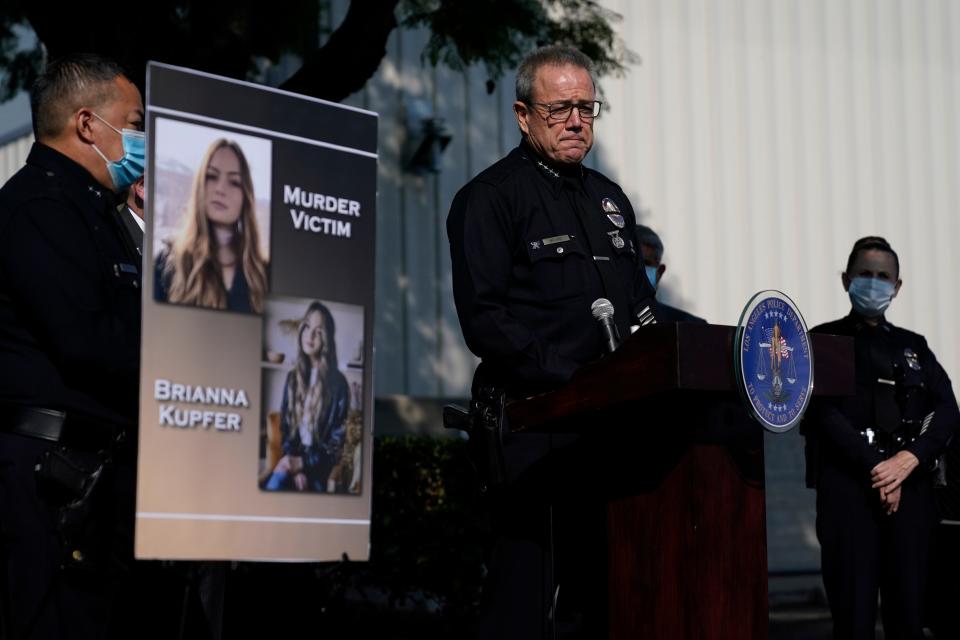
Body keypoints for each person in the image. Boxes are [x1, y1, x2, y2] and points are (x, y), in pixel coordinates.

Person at [447, 45, 659, 639]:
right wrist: (576, 378)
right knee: (523, 599)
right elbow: (485, 320)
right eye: (559, 108)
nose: (575, 120)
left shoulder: (609, 199)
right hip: (534, 425)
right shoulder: (488, 198)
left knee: (607, 595)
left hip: (610, 430)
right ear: (522, 115)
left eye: (586, 108)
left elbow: (640, 305)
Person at [0, 53, 144, 638]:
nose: (142, 138)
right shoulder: (41, 206)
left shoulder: (91, 209)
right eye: (135, 123)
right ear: (89, 124)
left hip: (88, 481)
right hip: (47, 484)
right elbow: (90, 341)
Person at [803, 236, 959, 640]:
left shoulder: (914, 346)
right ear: (846, 279)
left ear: (898, 285)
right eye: (865, 274)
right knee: (852, 620)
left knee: (909, 618)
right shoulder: (822, 341)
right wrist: (878, 468)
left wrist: (908, 460)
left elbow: (946, 410)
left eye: (883, 276)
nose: (874, 283)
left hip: (912, 496)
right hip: (849, 496)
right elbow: (822, 413)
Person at [154, 138, 268, 313]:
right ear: (200, 185)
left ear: (246, 196)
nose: (220, 189)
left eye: (234, 182)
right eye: (212, 177)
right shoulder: (167, 261)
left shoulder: (264, 272)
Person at [263, 301, 349, 493]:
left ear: (326, 338)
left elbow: (336, 447)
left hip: (319, 470)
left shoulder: (338, 384)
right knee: (275, 485)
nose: (310, 335)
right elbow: (286, 428)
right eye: (307, 326)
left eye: (318, 331)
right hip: (292, 462)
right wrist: (294, 468)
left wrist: (303, 464)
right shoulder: (293, 378)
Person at [634, 223, 706, 323]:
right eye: (633, 263)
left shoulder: (691, 327)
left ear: (660, 272)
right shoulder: (607, 322)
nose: (639, 270)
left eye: (646, 263)